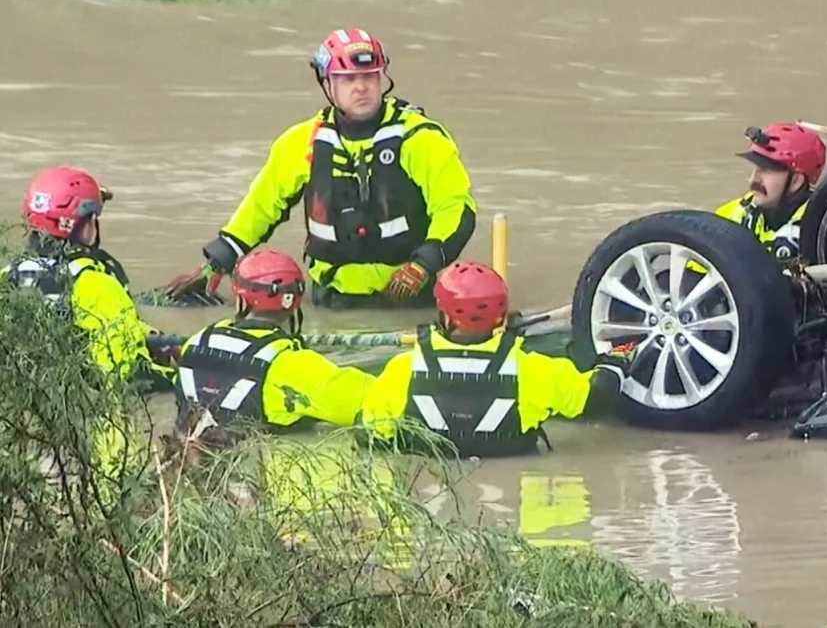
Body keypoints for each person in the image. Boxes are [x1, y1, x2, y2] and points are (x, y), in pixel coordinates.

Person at [163, 28, 478, 309]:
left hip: (410, 294)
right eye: (348, 79)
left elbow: (455, 208)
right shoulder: (302, 142)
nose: (361, 88)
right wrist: (216, 264)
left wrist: (423, 265)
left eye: (370, 77)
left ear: (382, 80)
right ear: (327, 84)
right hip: (330, 298)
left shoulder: (421, 138)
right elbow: (261, 207)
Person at [358, 260, 632, 458]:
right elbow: (595, 399)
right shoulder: (532, 369)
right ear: (502, 316)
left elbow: (369, 435)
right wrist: (619, 357)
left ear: (445, 314)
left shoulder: (402, 370)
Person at [172, 248, 376, 445]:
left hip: (186, 465)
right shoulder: (294, 365)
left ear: (241, 299)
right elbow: (378, 404)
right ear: (296, 304)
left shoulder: (197, 341)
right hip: (255, 475)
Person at [4, 166, 174, 391]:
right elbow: (131, 374)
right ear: (79, 223)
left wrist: (153, 336)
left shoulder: (9, 276)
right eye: (93, 216)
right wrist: (181, 378)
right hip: (93, 416)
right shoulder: (98, 285)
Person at [714, 122, 827, 261]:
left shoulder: (822, 231)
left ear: (795, 181)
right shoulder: (733, 214)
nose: (754, 179)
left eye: (766, 170)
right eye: (756, 168)